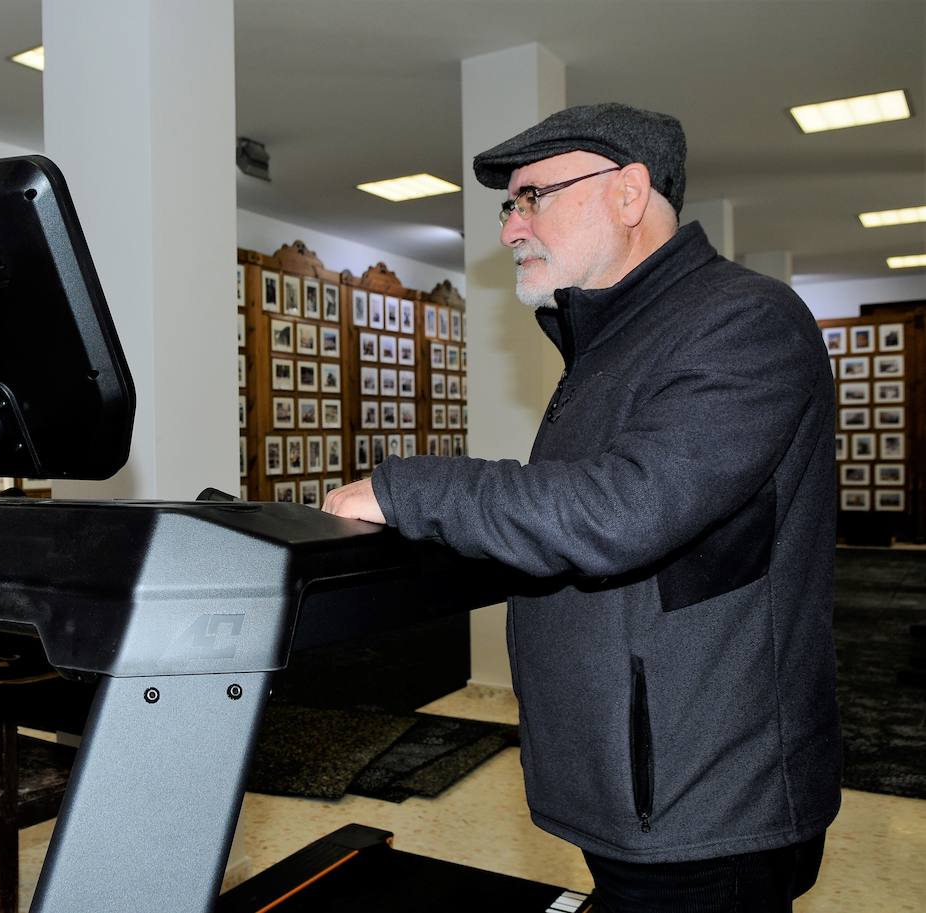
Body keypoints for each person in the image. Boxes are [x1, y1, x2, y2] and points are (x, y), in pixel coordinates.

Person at [323, 102, 840, 912]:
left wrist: (410, 488)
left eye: (533, 197)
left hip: (706, 809)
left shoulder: (745, 320)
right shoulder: (615, 341)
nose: (511, 227)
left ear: (629, 193)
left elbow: (624, 508)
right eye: (510, 205)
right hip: (639, 786)